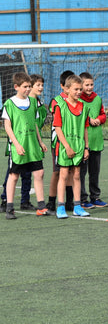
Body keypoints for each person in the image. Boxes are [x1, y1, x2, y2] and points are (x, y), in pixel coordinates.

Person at [1, 72, 50, 219]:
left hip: (33, 145)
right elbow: (7, 127)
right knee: (14, 175)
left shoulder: (33, 102)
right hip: (19, 146)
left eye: (29, 86)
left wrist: (40, 141)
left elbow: (35, 124)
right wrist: (16, 144)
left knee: (39, 173)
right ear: (16, 87)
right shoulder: (9, 104)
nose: (28, 89)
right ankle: (9, 208)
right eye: (25, 87)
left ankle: (41, 206)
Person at [53, 74, 90, 219]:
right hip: (65, 147)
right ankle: (60, 207)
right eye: (76, 89)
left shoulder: (84, 107)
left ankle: (77, 206)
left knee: (76, 176)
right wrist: (67, 147)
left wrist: (86, 147)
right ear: (67, 89)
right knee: (63, 175)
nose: (79, 92)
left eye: (80, 89)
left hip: (79, 147)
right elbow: (58, 128)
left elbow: (85, 128)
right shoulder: (60, 106)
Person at [46, 70, 74, 213]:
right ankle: (51, 201)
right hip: (58, 142)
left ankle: (70, 201)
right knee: (57, 172)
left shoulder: (77, 101)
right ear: (63, 86)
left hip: (72, 141)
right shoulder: (56, 101)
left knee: (70, 172)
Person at [79, 72, 108, 208]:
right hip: (84, 143)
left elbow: (103, 114)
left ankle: (95, 196)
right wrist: (88, 120)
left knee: (94, 172)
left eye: (91, 84)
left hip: (97, 142)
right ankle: (82, 199)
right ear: (81, 85)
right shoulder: (78, 100)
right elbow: (77, 117)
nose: (90, 87)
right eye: (87, 85)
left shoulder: (98, 98)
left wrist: (99, 120)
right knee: (82, 173)